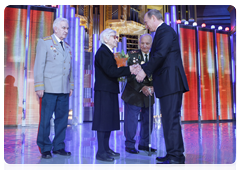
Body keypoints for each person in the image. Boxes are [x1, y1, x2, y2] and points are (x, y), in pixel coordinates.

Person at [135, 9, 189, 168]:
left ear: (153, 18)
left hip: (171, 83)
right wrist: (143, 66)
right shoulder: (162, 32)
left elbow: (160, 55)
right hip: (168, 83)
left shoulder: (164, 31)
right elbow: (158, 57)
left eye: (146, 22)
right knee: (169, 120)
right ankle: (174, 154)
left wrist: (144, 70)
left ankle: (175, 157)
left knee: (170, 120)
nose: (146, 26)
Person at [92, 28, 139, 162]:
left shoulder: (109, 52)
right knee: (102, 121)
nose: (116, 39)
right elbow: (111, 71)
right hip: (104, 91)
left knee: (108, 121)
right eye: (114, 37)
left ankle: (106, 148)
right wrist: (129, 69)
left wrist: (125, 68)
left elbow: (113, 70)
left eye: (117, 37)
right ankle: (101, 152)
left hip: (110, 90)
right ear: (105, 38)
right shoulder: (102, 52)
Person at [34, 17, 74, 159]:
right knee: (45, 119)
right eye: (64, 28)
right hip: (49, 88)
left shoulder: (68, 47)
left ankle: (58, 146)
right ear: (55, 28)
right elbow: (39, 65)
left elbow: (70, 69)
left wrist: (71, 86)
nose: (66, 31)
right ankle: (44, 147)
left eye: (67, 28)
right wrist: (39, 85)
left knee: (62, 120)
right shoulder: (44, 43)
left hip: (63, 89)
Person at [121, 34, 156, 154]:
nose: (145, 46)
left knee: (148, 121)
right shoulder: (132, 55)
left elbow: (159, 74)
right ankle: (130, 144)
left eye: (147, 43)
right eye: (142, 43)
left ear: (151, 44)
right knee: (131, 121)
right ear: (139, 43)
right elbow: (129, 75)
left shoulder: (155, 57)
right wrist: (143, 87)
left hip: (149, 93)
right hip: (133, 93)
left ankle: (144, 144)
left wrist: (153, 87)